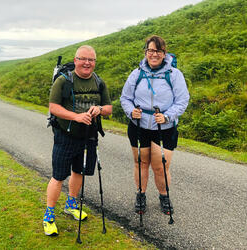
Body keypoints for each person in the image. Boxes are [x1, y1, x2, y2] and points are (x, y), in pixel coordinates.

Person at [43, 45, 112, 236]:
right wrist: (76, 117)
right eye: (83, 59)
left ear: (94, 62)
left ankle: (71, 204)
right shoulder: (64, 81)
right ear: (75, 60)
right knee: (58, 176)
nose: (87, 63)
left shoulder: (99, 82)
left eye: (91, 60)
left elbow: (108, 108)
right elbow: (53, 107)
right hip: (65, 135)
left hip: (89, 136)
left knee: (79, 171)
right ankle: (48, 216)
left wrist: (99, 110)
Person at [120, 35, 189, 215]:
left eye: (158, 51)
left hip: (164, 128)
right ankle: (140, 194)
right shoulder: (137, 73)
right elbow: (125, 98)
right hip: (138, 126)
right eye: (151, 50)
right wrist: (131, 111)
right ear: (146, 52)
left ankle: (164, 196)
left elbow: (182, 100)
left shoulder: (174, 75)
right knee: (141, 163)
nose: (154, 54)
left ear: (164, 54)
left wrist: (167, 116)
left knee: (160, 167)